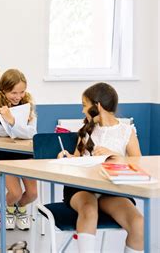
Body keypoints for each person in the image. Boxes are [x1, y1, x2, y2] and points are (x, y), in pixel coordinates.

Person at [58, 83, 143, 253]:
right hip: (81, 187)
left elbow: (139, 165)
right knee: (88, 209)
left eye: (84, 105)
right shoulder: (86, 131)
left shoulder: (127, 131)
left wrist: (118, 157)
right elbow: (77, 159)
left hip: (110, 190)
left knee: (138, 222)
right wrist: (66, 157)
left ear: (97, 106)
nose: (82, 111)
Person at [0, 68, 37, 231]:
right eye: (13, 93)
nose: (18, 97)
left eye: (22, 92)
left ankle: (19, 207)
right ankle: (10, 210)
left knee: (32, 194)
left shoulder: (28, 102)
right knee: (16, 193)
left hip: (24, 153)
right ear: (3, 90)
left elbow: (32, 132)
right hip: (1, 153)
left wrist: (11, 123)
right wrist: (17, 130)